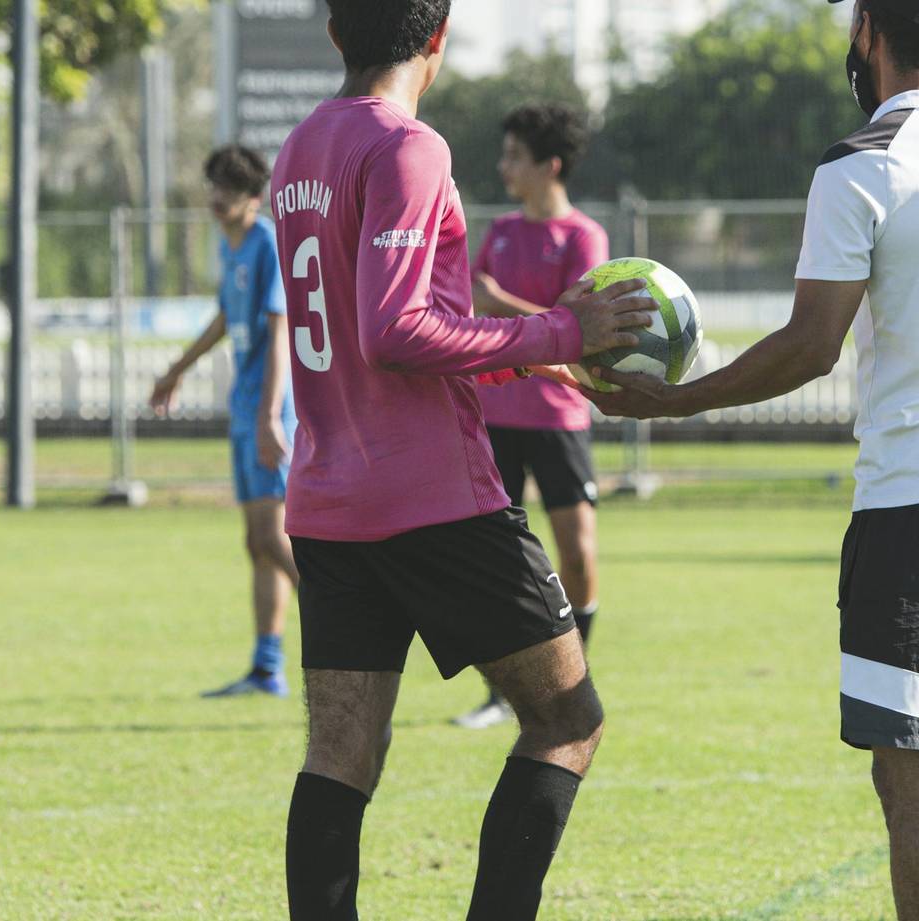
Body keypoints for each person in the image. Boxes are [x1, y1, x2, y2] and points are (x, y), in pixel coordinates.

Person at [588, 1, 919, 917]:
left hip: (918, 504)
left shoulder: (862, 162)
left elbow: (810, 345)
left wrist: (672, 400)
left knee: (917, 775)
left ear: (867, 30)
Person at [268, 2, 656, 918]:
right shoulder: (407, 145)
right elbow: (396, 330)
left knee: (341, 755)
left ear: (336, 32)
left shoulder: (298, 150)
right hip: (435, 499)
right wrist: (561, 329)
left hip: (329, 501)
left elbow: (380, 329)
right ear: (438, 37)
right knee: (566, 719)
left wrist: (528, 355)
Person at [455, 103, 611, 730]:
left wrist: (500, 301)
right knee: (496, 560)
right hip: (494, 412)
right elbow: (471, 311)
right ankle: (503, 694)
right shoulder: (499, 232)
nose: (504, 167)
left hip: (559, 414)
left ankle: (574, 678)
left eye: (515, 156)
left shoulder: (584, 237)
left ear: (550, 166)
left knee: (577, 551)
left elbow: (579, 327)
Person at [149, 144, 298, 699]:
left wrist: (268, 416)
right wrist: (177, 370)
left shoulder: (268, 245)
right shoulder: (228, 246)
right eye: (214, 185)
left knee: (272, 536)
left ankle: (345, 617)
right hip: (246, 406)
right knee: (256, 542)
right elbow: (223, 317)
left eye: (230, 188)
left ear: (254, 198)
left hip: (270, 409)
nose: (217, 196)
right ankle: (266, 668)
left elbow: (281, 332)